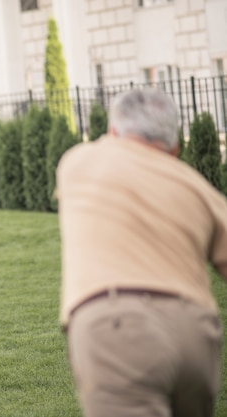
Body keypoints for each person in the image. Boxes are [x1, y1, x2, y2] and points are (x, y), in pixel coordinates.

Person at [55, 89, 227, 417]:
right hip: (197, 332)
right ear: (175, 148)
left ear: (114, 131)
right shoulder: (198, 188)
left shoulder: (77, 162)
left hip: (117, 324)